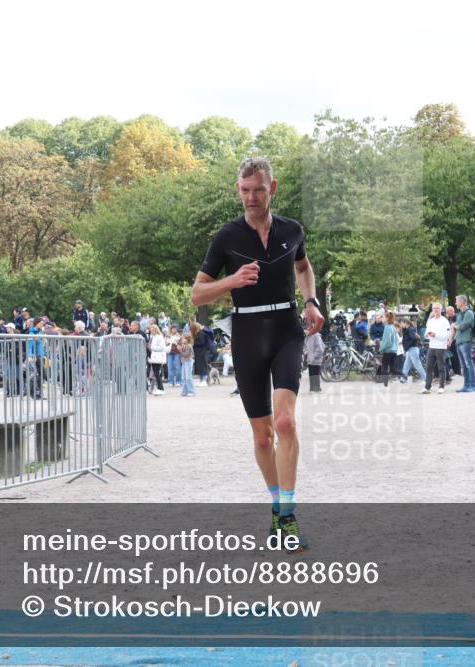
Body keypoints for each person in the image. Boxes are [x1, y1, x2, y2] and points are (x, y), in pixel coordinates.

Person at [191, 156, 324, 552]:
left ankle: (287, 516)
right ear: (238, 190)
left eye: (259, 190)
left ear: (273, 188)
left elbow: (303, 267)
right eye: (245, 190)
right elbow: (197, 293)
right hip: (247, 332)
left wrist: (312, 301)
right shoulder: (226, 237)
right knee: (264, 438)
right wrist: (232, 280)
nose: (251, 197)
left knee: (285, 423)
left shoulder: (292, 230)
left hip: (286, 328)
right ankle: (276, 503)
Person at [421, 302, 451, 394]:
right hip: (431, 346)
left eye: (437, 308)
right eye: (434, 308)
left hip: (441, 347)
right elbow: (426, 333)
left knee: (441, 367)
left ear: (441, 309)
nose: (435, 310)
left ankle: (441, 386)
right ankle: (427, 387)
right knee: (429, 367)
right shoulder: (430, 321)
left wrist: (436, 335)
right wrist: (428, 334)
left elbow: (447, 335)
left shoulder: (444, 321)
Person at [452, 295, 475, 393]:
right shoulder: (459, 314)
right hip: (459, 341)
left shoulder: (469, 313)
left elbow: (462, 326)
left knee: (468, 363)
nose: (455, 303)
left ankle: (472, 385)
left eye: (457, 301)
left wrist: (455, 325)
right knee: (463, 365)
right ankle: (466, 385)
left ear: (462, 302)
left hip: (466, 341)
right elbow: (457, 326)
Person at [400, 318, 426, 383]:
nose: (401, 324)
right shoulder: (408, 330)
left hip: (412, 349)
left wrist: (407, 346)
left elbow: (413, 339)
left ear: (406, 323)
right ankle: (403, 378)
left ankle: (426, 379)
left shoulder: (410, 329)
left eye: (401, 323)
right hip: (410, 349)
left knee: (417, 365)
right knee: (406, 365)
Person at [378, 312, 399, 387]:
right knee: (393, 368)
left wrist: (381, 349)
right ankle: (403, 376)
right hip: (394, 350)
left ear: (387, 318)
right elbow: (396, 339)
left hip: (388, 350)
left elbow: (387, 341)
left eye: (383, 317)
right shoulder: (392, 327)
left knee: (384, 367)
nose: (382, 318)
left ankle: (385, 384)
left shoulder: (387, 327)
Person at [148, 324, 167, 395]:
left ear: (155, 330)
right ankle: (160, 388)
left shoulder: (159, 337)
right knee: (156, 373)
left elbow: (162, 348)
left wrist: (152, 348)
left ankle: (161, 388)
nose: (151, 331)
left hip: (158, 357)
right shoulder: (153, 337)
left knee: (156, 373)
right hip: (154, 357)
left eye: (152, 330)